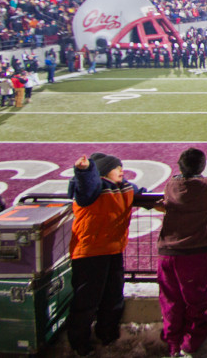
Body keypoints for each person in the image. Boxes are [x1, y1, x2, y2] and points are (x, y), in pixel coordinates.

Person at [67, 152, 152, 356]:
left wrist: (160, 201)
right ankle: (80, 343)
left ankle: (108, 334)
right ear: (104, 172)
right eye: (116, 167)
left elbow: (143, 195)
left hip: (113, 249)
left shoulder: (125, 187)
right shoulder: (94, 188)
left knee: (113, 296)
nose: (121, 170)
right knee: (86, 301)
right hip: (89, 253)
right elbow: (87, 186)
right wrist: (85, 170)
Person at [156, 148, 207, 357]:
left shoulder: (171, 186)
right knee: (196, 302)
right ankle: (189, 345)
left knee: (170, 301)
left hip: (168, 252)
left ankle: (173, 343)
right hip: (195, 254)